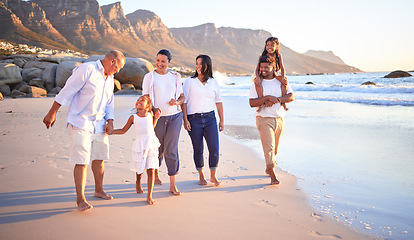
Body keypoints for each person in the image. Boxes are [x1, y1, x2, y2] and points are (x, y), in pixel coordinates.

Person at [43, 50, 126, 211]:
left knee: (99, 158)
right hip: (80, 121)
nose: (118, 71)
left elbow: (110, 103)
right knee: (82, 160)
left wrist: (110, 121)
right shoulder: (87, 70)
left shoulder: (110, 79)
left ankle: (98, 190)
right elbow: (67, 91)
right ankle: (80, 199)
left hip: (99, 124)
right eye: (118, 67)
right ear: (112, 62)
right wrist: (52, 112)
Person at [142, 49, 184, 196]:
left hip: (175, 117)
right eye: (158, 60)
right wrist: (154, 110)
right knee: (157, 149)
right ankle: (156, 173)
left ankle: (172, 184)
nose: (160, 63)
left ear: (169, 63)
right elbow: (145, 98)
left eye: (163, 61)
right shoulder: (149, 77)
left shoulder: (175, 77)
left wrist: (176, 101)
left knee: (171, 149)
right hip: (157, 118)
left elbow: (182, 98)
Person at [249, 55, 294, 185]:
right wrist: (267, 98)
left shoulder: (281, 81)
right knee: (268, 148)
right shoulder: (257, 83)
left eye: (266, 67)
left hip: (279, 119)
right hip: (263, 119)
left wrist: (278, 99)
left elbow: (291, 97)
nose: (263, 69)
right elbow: (252, 103)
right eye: (261, 67)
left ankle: (268, 168)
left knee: (275, 150)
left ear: (273, 67)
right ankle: (273, 176)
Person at [182, 55, 224, 186]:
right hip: (193, 119)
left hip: (210, 118)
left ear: (208, 66)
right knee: (198, 148)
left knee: (214, 148)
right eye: (197, 64)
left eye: (201, 64)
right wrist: (185, 120)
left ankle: (213, 175)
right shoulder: (190, 81)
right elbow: (183, 101)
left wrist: (221, 120)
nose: (198, 67)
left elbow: (218, 102)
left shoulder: (214, 82)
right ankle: (201, 175)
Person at [113, 95, 160, 205]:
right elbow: (124, 130)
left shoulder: (150, 115)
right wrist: (112, 132)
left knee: (151, 168)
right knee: (140, 167)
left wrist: (156, 118)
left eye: (142, 100)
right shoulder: (133, 117)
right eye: (138, 100)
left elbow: (151, 128)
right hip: (140, 144)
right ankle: (138, 181)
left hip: (151, 143)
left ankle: (149, 195)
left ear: (148, 105)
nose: (138, 101)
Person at [254, 37, 289, 111]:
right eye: (268, 45)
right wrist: (257, 77)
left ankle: (283, 103)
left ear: (276, 46)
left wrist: (283, 77)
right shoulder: (262, 56)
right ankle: (261, 104)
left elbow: (282, 68)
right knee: (257, 83)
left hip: (275, 73)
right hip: (262, 73)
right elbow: (257, 69)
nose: (269, 47)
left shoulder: (278, 56)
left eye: (272, 45)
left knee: (284, 83)